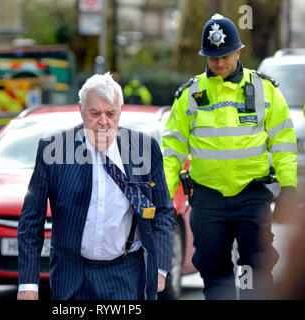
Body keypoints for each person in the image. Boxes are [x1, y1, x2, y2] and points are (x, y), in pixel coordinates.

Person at [162, 14, 298, 300]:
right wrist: (164, 191)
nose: (219, 63)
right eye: (213, 58)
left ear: (238, 52)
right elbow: (172, 151)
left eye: (225, 55)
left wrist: (288, 188)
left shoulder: (265, 91)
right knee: (214, 272)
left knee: (253, 270)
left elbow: (283, 144)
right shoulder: (190, 95)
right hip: (209, 199)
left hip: (250, 197)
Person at [17, 72, 176, 300]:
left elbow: (162, 212)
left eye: (111, 113)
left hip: (127, 276)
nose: (103, 121)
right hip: (72, 276)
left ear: (120, 111)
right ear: (81, 109)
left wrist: (160, 268)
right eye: (94, 113)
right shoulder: (53, 151)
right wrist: (28, 283)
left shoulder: (144, 149)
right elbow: (31, 222)